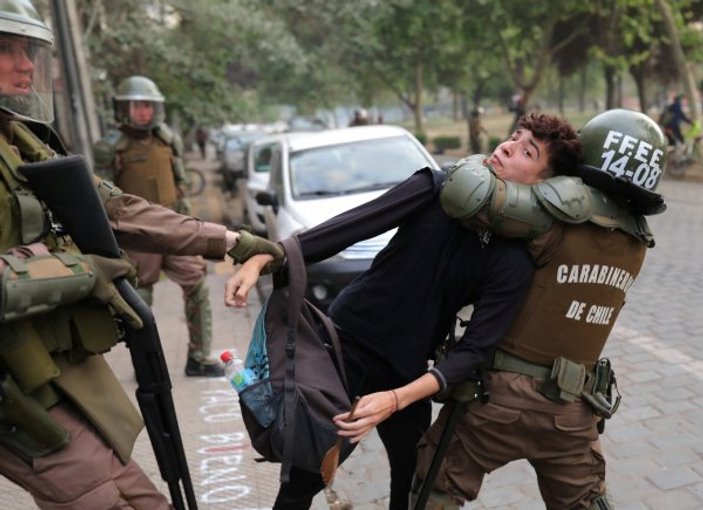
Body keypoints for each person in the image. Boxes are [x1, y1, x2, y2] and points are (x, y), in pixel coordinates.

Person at [0, 3, 282, 507]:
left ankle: (198, 354)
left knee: (137, 488)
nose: (24, 64)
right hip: (15, 381)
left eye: (27, 50)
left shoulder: (21, 139)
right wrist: (81, 270)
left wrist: (230, 240)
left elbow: (114, 205)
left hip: (50, 361)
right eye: (6, 49)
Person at [225, 113, 582, 509]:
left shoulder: (513, 261)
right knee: (302, 479)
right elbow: (349, 227)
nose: (507, 146)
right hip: (341, 348)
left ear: (542, 185)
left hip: (404, 372)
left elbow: (475, 350)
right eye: (513, 137)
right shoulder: (437, 187)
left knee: (415, 485)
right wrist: (265, 258)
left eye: (527, 151)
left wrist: (396, 399)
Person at [374, 109, 662, 509]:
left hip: (497, 403)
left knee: (434, 490)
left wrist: (484, 159)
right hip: (573, 411)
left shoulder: (556, 216)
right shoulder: (637, 241)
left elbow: (466, 192)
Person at [93, 75, 223, 377]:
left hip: (174, 226)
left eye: (149, 106)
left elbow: (180, 182)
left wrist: (189, 218)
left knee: (197, 285)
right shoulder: (109, 148)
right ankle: (147, 364)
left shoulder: (167, 138)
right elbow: (99, 195)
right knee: (141, 301)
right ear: (123, 108)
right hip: (138, 233)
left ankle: (200, 358)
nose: (144, 113)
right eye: (138, 106)